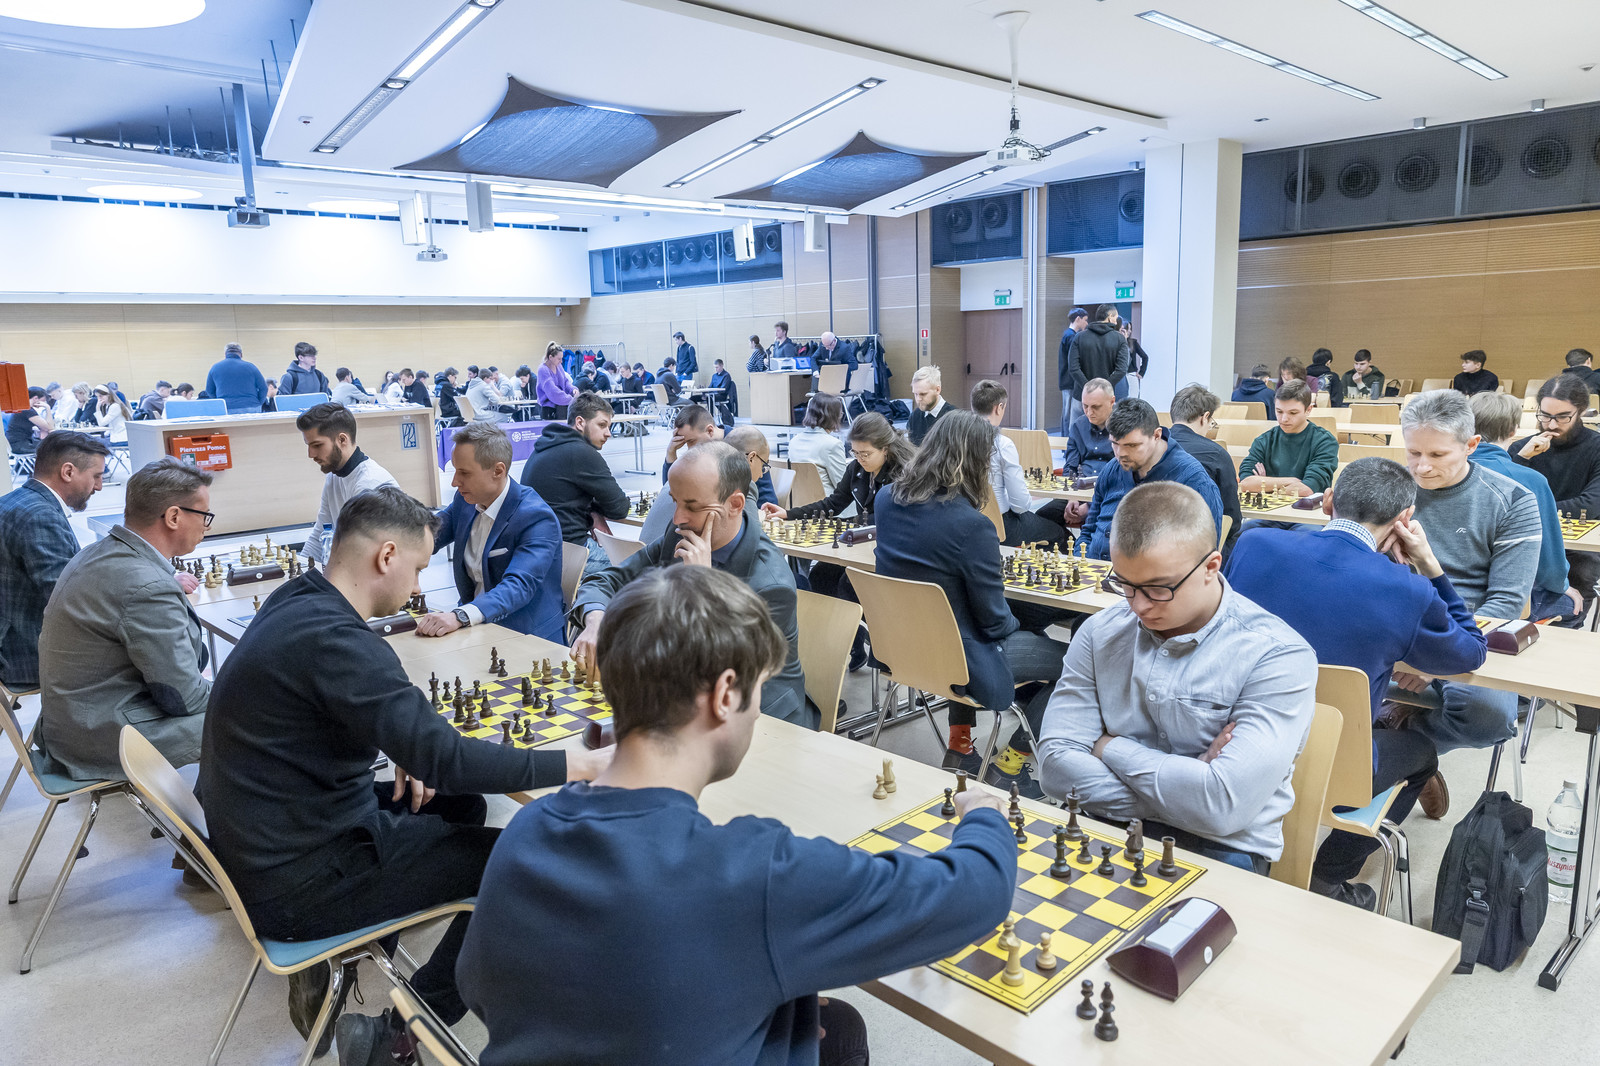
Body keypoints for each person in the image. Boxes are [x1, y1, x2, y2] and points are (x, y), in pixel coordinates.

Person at [459, 565, 1013, 1066]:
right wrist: (984, 813)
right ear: (725, 694)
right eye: (757, 693)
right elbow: (975, 892)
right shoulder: (752, 872)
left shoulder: (526, 830)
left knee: (833, 1024)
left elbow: (476, 987)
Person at [198, 486, 609, 1061]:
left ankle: (354, 957)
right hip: (298, 879)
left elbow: (332, 713)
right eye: (417, 568)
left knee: (459, 804)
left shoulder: (300, 599)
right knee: (523, 863)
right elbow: (448, 758)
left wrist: (401, 747)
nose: (418, 587)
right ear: (386, 556)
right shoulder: (339, 641)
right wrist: (583, 762)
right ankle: (395, 1040)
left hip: (268, 831)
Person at [1225, 459, 1489, 905]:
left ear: (1328, 501)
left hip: (1234, 742)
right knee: (1421, 753)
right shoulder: (1407, 590)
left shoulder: (1254, 543)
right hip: (1334, 770)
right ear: (1405, 519)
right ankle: (1329, 878)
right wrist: (1429, 566)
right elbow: (1471, 652)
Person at [1039, 481, 1317, 873]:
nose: (1138, 606)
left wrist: (1108, 747)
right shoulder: (1099, 632)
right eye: (1125, 585)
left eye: (1158, 589)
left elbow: (1222, 807)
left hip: (1220, 847)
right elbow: (1054, 769)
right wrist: (1192, 790)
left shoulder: (1277, 655)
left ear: (1211, 567)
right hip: (1104, 826)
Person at [875, 411, 1067, 795]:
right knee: (1078, 664)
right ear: (974, 462)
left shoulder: (885, 499)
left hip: (905, 651)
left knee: (1002, 624)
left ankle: (960, 746)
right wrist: (1022, 624)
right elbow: (995, 624)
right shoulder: (972, 525)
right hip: (965, 662)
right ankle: (1009, 766)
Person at [571, 441, 813, 728]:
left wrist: (701, 585)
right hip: (686, 701)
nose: (677, 518)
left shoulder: (770, 584)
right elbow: (606, 579)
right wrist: (596, 622)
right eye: (675, 501)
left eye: (692, 506)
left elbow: (718, 668)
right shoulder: (681, 535)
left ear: (735, 504)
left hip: (761, 717)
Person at [1390, 389, 1539, 816]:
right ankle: (1401, 758)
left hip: (1468, 629)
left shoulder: (1512, 500)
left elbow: (1505, 603)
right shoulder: (1390, 489)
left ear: (1472, 445)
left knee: (1488, 716)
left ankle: (1407, 751)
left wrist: (1437, 657)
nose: (1422, 466)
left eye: (1437, 454)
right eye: (1413, 453)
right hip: (1393, 620)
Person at [37, 458, 213, 781]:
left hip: (70, 724)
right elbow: (185, 699)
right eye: (204, 516)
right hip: (101, 737)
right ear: (174, 517)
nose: (206, 526)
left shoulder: (96, 552)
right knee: (262, 712)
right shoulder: (147, 585)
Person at [762, 412, 911, 668]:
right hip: (861, 544)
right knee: (820, 575)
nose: (859, 459)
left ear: (885, 449)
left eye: (866, 454)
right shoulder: (857, 469)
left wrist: (851, 525)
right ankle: (853, 645)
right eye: (855, 452)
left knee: (847, 583)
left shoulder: (904, 472)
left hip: (892, 550)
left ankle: (875, 645)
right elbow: (833, 503)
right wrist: (789, 514)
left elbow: (891, 517)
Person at [420, 422, 565, 642]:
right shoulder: (465, 500)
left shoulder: (536, 517)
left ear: (498, 471)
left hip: (526, 636)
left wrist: (460, 615)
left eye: (464, 473)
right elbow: (430, 533)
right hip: (475, 627)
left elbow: (518, 586)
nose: (454, 482)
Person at [0, 431, 108, 690]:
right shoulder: (40, 516)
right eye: (96, 476)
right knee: (153, 654)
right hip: (25, 655)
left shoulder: (13, 501)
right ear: (68, 472)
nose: (99, 486)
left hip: (10, 640)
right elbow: (68, 600)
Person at [1471, 391, 1581, 624]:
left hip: (1440, 594)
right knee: (1571, 605)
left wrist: (1519, 458)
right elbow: (1549, 560)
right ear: (1514, 430)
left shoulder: (1443, 471)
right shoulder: (1530, 481)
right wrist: (1563, 586)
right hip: (1500, 602)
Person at [1078, 399, 1223, 561]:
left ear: (1156, 435)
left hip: (1151, 576)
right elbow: (1088, 531)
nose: (1121, 454)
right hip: (1093, 570)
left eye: (1132, 445)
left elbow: (1202, 557)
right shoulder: (1112, 469)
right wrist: (1078, 562)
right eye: (1115, 444)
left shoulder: (1194, 481)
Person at [1512, 372, 1600, 616]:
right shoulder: (1522, 449)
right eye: (1545, 416)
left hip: (1577, 545)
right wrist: (1521, 459)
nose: (1551, 425)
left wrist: (1534, 513)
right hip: (1528, 537)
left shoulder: (1596, 448)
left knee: (1580, 575)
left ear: (1581, 411)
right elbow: (1504, 499)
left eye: (1562, 417)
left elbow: (1590, 505)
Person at [519, 392, 630, 579]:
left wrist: (592, 511)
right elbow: (620, 508)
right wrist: (595, 510)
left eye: (609, 427)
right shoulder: (582, 453)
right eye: (602, 425)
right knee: (637, 572)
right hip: (566, 551)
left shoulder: (547, 445)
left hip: (535, 550)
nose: (608, 433)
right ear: (580, 422)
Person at [297, 402, 399, 566]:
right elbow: (320, 534)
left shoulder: (369, 484)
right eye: (308, 446)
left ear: (342, 439)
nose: (311, 454)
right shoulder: (334, 476)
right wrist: (301, 569)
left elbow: (364, 557)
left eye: (317, 445)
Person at [971, 379, 1065, 548]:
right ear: (999, 408)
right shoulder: (1002, 443)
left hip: (965, 522)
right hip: (1000, 525)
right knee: (1059, 533)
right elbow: (1020, 505)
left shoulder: (957, 439)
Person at [1168, 384, 1242, 551]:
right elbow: (1231, 518)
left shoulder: (1152, 445)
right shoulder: (1216, 453)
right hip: (1197, 545)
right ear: (1205, 417)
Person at [1237, 380, 1339, 497]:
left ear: (1308, 410)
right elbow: (1245, 484)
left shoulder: (1325, 442)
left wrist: (1264, 485)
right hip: (1268, 508)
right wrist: (1293, 481)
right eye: (1279, 411)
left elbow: (1306, 489)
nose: (1284, 419)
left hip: (1306, 508)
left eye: (1293, 413)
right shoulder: (1264, 440)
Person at [1067, 304, 1130, 413]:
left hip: (1082, 396)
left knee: (1078, 424)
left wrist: (1088, 387)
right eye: (1115, 318)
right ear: (1110, 317)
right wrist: (1102, 389)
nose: (1116, 322)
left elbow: (1073, 368)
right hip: (1107, 398)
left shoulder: (1079, 337)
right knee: (1108, 424)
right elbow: (1121, 370)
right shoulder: (1120, 339)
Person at [788, 393, 849, 494]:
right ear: (834, 416)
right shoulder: (833, 444)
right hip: (825, 501)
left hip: (797, 500)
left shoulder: (794, 441)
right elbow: (842, 485)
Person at [1062, 377, 1116, 477]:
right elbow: (1070, 467)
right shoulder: (1078, 426)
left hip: (1112, 483)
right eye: (1085, 406)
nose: (1089, 413)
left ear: (1112, 401)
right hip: (1084, 482)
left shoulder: (1124, 426)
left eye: (1096, 407)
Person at [724, 424, 780, 510]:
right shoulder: (747, 487)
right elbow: (753, 519)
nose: (761, 475)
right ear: (751, 458)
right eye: (763, 465)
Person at [204, 342, 269, 413]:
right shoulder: (251, 367)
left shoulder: (215, 368)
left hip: (226, 408)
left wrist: (220, 402)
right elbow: (264, 388)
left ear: (225, 354)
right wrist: (258, 402)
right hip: (251, 406)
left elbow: (209, 390)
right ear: (241, 354)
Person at [1058, 306, 1088, 433]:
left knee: (1067, 412)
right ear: (1078, 319)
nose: (1086, 323)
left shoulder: (1068, 335)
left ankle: (1065, 440)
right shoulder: (1071, 337)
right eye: (1085, 320)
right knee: (1068, 414)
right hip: (1069, 380)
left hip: (1067, 380)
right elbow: (1074, 361)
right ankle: (1066, 441)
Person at [906, 365, 953, 446]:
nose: (918, 399)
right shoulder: (914, 416)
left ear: (937, 390)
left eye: (923, 394)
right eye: (915, 394)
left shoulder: (954, 418)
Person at [537, 341, 578, 419]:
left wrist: (573, 390)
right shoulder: (543, 369)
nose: (561, 361)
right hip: (548, 409)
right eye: (559, 359)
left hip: (561, 405)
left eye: (561, 358)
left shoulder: (559, 366)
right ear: (550, 357)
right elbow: (552, 392)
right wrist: (571, 399)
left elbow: (565, 382)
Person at [6, 386, 52, 454]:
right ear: (35, 398)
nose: (44, 403)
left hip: (17, 443)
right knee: (51, 448)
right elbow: (49, 427)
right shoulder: (27, 410)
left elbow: (45, 428)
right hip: (20, 445)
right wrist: (47, 408)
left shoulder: (24, 408)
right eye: (43, 400)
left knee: (47, 445)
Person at [1119, 319, 1149, 398]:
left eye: (1130, 329)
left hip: (1131, 375)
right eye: (1127, 328)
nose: (1129, 331)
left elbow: (1145, 357)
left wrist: (1141, 373)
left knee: (1133, 398)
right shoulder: (1115, 343)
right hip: (1119, 375)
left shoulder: (1133, 342)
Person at [709, 358, 739, 422]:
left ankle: (710, 417)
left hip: (721, 396)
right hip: (712, 395)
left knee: (709, 398)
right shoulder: (714, 376)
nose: (716, 369)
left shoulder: (726, 375)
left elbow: (723, 389)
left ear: (722, 366)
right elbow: (710, 387)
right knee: (693, 398)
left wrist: (712, 392)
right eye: (715, 367)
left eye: (717, 367)